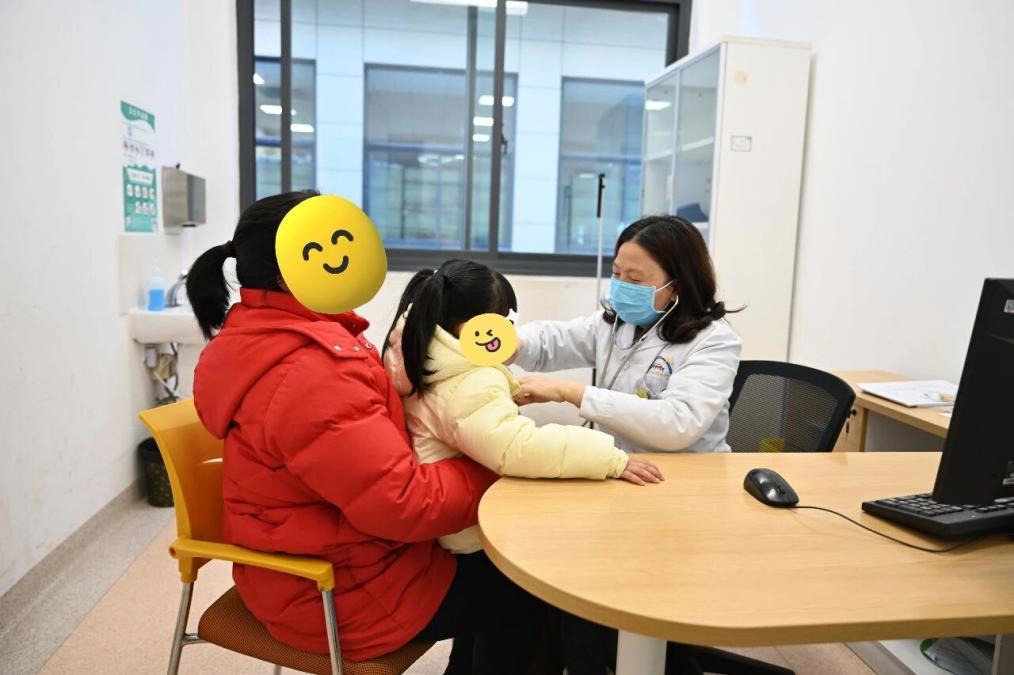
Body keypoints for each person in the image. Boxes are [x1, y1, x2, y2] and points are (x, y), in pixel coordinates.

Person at [187, 191, 543, 674]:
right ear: (291, 271)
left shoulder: (263, 336)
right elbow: (404, 504)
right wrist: (498, 465)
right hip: (341, 594)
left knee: (501, 564)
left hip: (313, 565)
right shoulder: (311, 372)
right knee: (535, 586)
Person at [511, 214, 742, 674]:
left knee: (587, 594)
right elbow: (551, 341)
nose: (621, 287)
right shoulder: (614, 325)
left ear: (676, 286)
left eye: (635, 279)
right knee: (555, 580)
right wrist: (503, 341)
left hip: (683, 493)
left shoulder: (714, 342)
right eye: (617, 274)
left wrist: (574, 393)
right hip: (623, 479)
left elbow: (678, 424)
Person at [382, 260, 664, 556]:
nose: (510, 331)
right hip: (471, 535)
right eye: (506, 322)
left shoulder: (419, 354)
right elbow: (518, 447)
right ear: (474, 329)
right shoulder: (472, 380)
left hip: (452, 520)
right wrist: (609, 459)